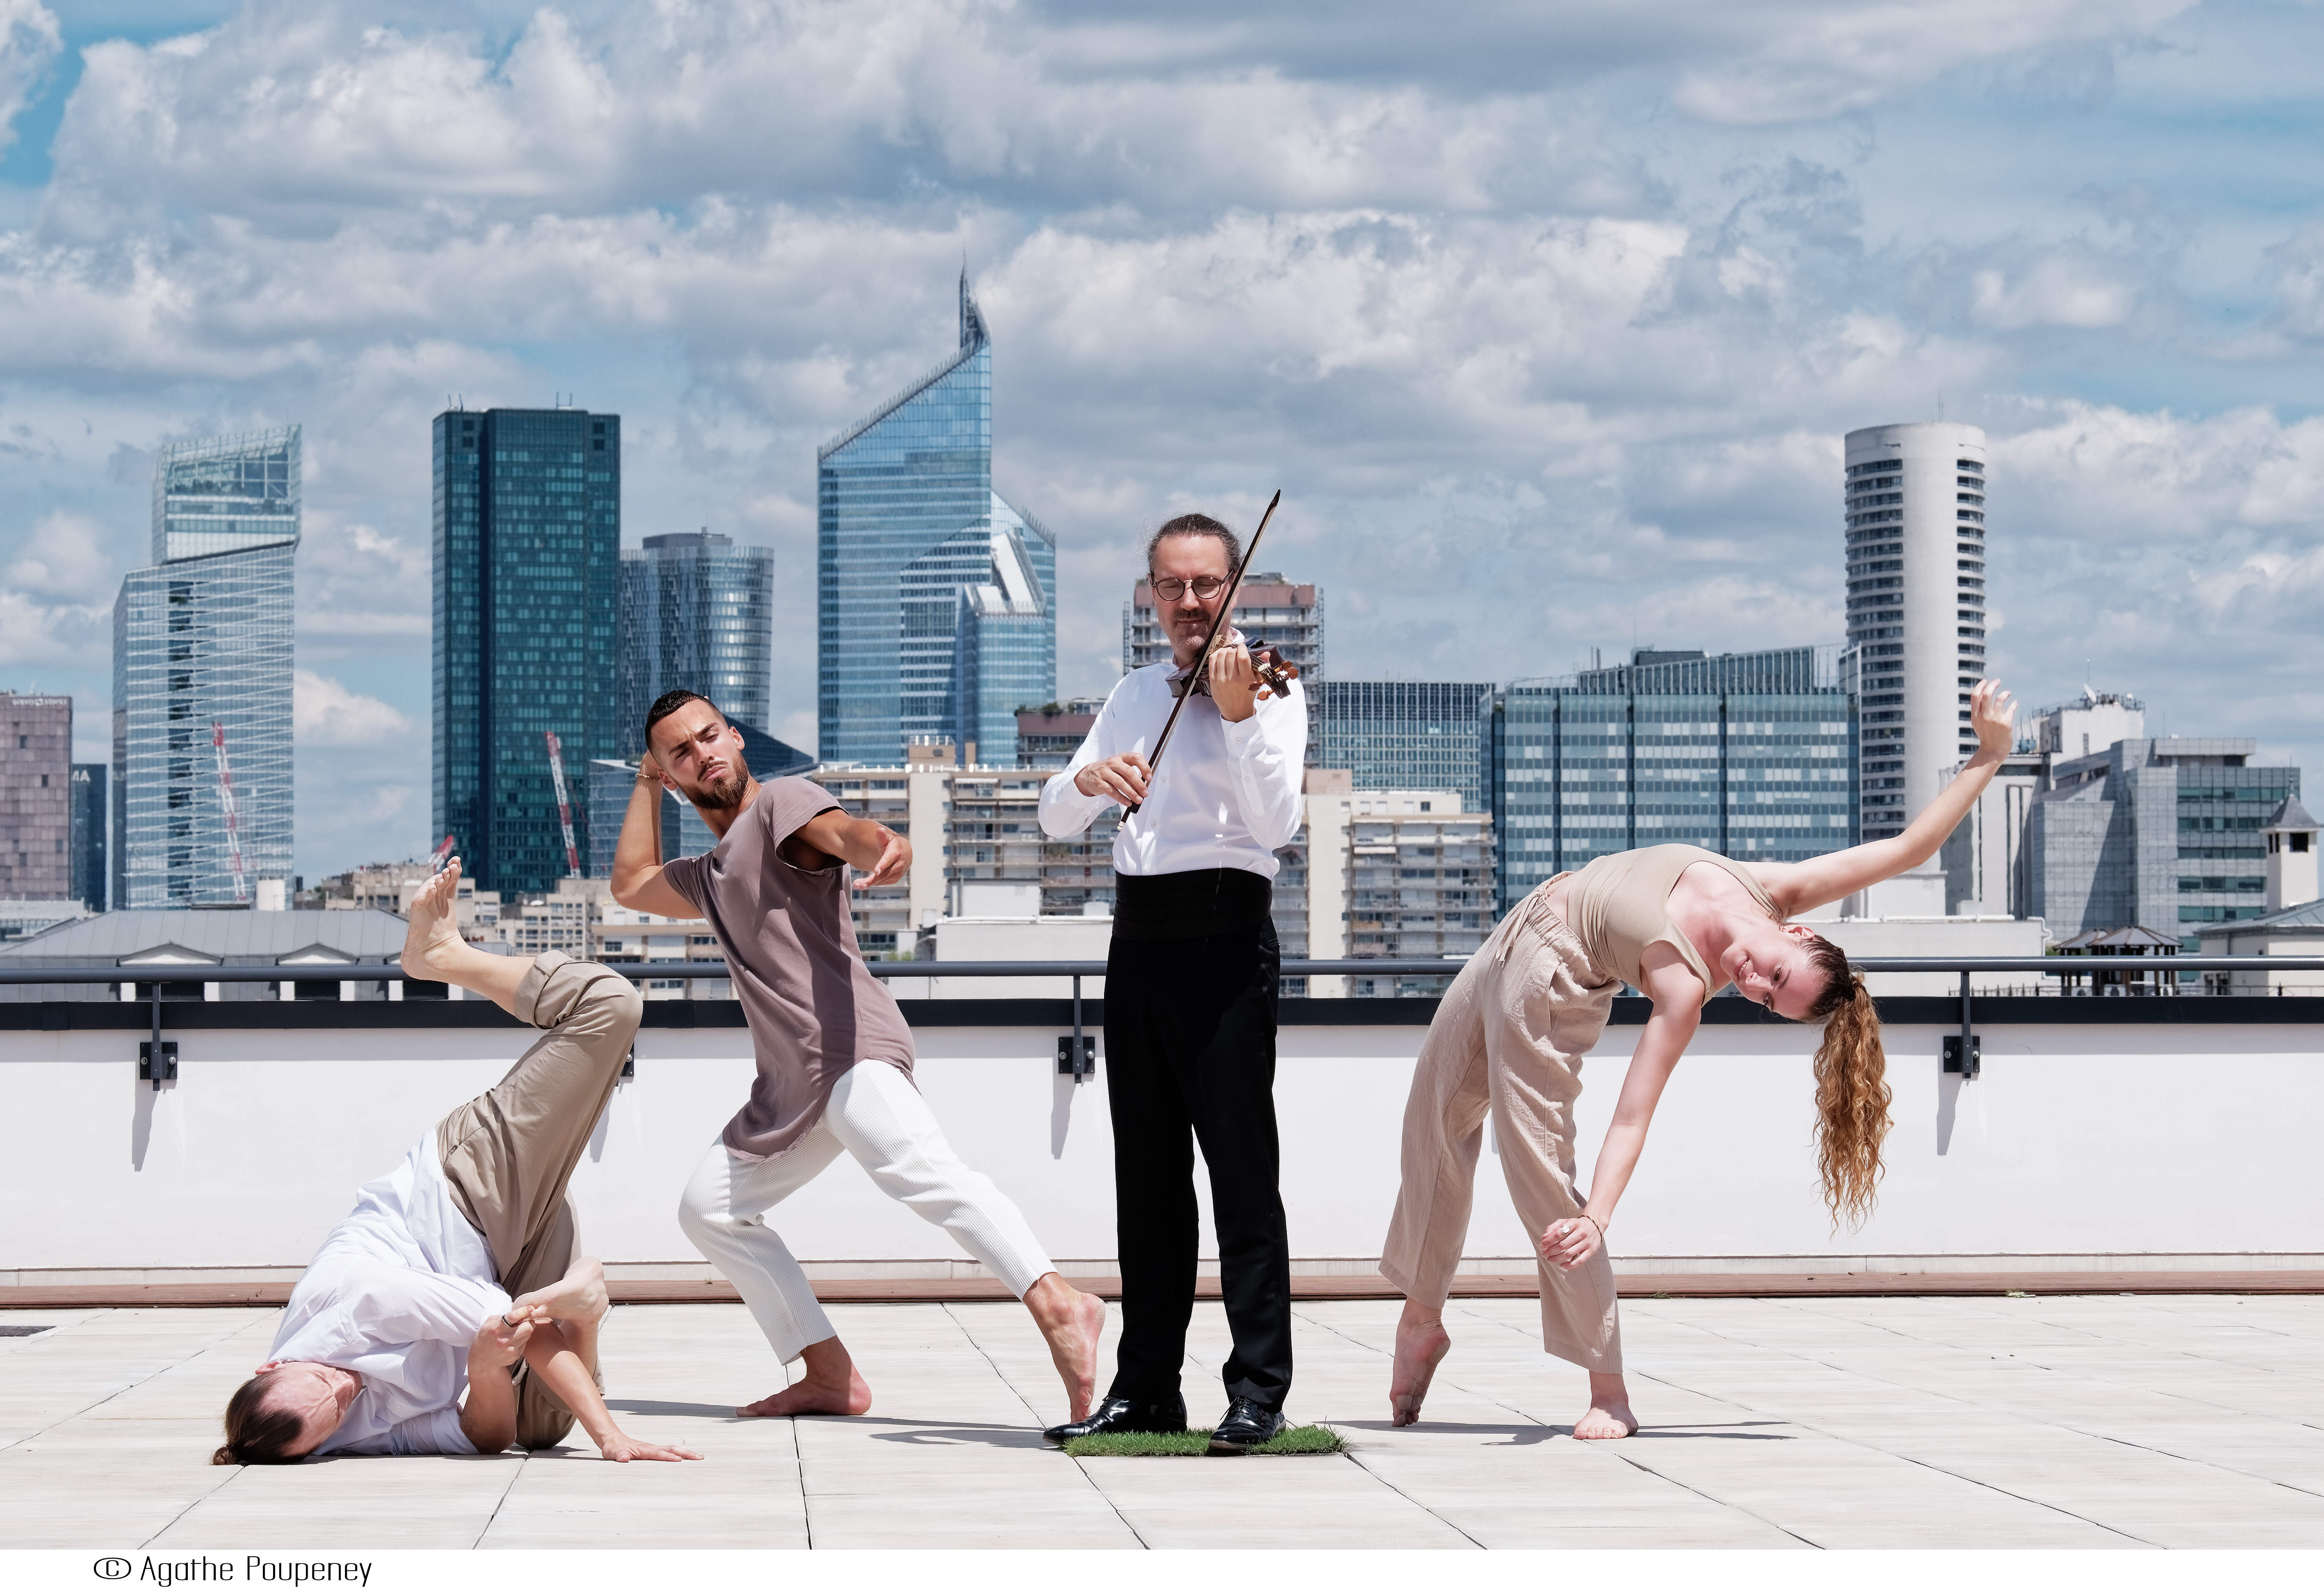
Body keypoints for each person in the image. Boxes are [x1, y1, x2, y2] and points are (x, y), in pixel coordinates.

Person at [1382, 680, 2021, 1441]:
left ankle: (1609, 1391)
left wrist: (1601, 1214)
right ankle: (1421, 1317)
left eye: (1765, 1000)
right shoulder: (1775, 889)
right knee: (1432, 1117)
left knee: (1539, 1174)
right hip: (1516, 930)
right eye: (1775, 974)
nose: (1751, 983)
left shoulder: (1684, 988)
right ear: (1801, 934)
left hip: (1551, 984)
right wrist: (1989, 756)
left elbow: (1633, 1115)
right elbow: (1907, 850)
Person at [613, 690, 1107, 1425]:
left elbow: (844, 833)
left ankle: (1060, 1302)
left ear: (736, 737)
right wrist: (645, 781)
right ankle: (828, 1373)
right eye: (680, 752)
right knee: (707, 1209)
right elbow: (629, 884)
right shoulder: (708, 876)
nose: (702, 753)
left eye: (710, 735)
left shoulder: (779, 804)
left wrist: (884, 846)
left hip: (850, 1051)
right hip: (790, 1088)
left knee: (928, 1176)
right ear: (669, 774)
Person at [213, 861, 702, 1466]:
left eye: (322, 1381)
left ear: (271, 1365)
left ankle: (445, 956)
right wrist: (486, 1370)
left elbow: (508, 1321)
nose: (344, 1388)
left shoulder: (356, 1302)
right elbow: (482, 1436)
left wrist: (610, 1436)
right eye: (336, 1410)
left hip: (467, 1193)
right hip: (502, 1262)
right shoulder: (327, 1430)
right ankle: (581, 1310)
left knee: (611, 1005)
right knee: (541, 1429)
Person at [1036, 512, 1308, 1455]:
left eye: (1207, 585)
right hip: (1139, 937)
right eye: (1172, 586)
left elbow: (1275, 824)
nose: (1191, 602)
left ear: (1234, 588)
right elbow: (1054, 819)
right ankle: (1148, 1388)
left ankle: (1259, 1390)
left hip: (1226, 932)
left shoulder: (1270, 688)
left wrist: (1236, 717)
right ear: (1151, 596)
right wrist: (1089, 781)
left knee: (1242, 1174)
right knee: (1146, 1177)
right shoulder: (1133, 693)